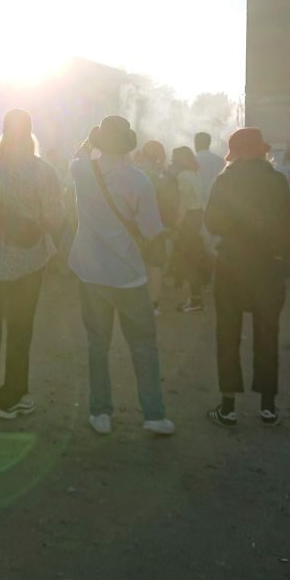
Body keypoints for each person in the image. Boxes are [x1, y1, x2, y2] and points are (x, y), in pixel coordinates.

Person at [69, 117, 175, 437]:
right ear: (128, 145)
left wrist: (90, 141)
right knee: (143, 345)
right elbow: (152, 231)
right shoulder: (139, 181)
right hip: (128, 275)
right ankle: (153, 414)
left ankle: (100, 412)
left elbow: (77, 156)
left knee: (97, 344)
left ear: (100, 143)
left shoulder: (81, 171)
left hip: (89, 272)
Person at [0, 110, 63, 420]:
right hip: (28, 263)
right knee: (20, 331)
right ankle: (13, 397)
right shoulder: (43, 171)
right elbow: (55, 219)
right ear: (30, 133)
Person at [204, 127, 290, 428]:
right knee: (267, 336)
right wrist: (287, 263)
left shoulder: (225, 180)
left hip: (230, 265)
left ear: (235, 154)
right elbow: (288, 225)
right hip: (268, 268)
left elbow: (212, 222)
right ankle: (268, 407)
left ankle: (228, 407)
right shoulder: (278, 181)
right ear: (261, 151)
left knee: (227, 335)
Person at [135, 140, 174, 314]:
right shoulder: (164, 175)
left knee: (135, 262)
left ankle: (136, 301)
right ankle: (154, 304)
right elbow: (170, 201)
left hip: (135, 224)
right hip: (158, 224)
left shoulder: (136, 172)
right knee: (155, 264)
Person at [170, 146, 207, 313]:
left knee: (189, 261)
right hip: (197, 217)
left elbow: (182, 204)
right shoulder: (194, 174)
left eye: (173, 158)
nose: (171, 161)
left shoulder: (183, 176)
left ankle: (195, 300)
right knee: (194, 259)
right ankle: (194, 298)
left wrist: (175, 225)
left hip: (188, 221)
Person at [194, 131, 225, 205]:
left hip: (199, 203)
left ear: (196, 143)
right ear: (209, 143)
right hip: (217, 201)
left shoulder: (193, 161)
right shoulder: (220, 160)